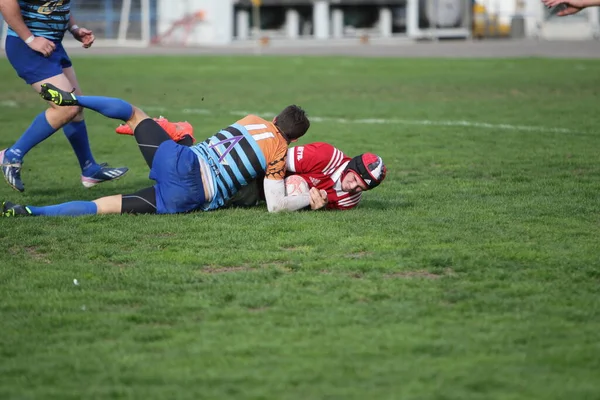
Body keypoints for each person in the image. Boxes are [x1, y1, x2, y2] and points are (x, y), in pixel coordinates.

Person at [1, 83, 322, 217]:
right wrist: (308, 198)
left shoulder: (251, 119)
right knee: (103, 206)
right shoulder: (279, 152)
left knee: (133, 112)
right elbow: (276, 206)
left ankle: (75, 100)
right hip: (191, 195)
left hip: (180, 160)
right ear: (293, 139)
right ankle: (30, 213)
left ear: (275, 117)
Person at [0, 0, 128, 192]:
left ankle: (89, 169)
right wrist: (30, 39)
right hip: (28, 48)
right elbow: (6, 3)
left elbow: (57, 5)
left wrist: (74, 28)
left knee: (76, 109)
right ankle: (12, 155)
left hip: (52, 45)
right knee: (67, 106)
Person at [230, 142, 387, 211]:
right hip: (256, 177)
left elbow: (314, 210)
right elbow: (275, 158)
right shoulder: (325, 155)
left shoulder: (350, 201)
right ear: (351, 166)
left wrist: (318, 207)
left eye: (360, 187)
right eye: (353, 180)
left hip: (267, 199)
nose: (352, 187)